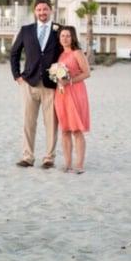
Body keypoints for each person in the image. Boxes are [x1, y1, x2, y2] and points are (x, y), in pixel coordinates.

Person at [10, 0, 62, 169]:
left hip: (51, 84)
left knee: (51, 123)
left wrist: (61, 76)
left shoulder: (59, 31)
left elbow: (65, 54)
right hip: (29, 82)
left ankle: (49, 158)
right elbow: (14, 53)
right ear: (35, 12)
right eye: (39, 10)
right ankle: (27, 157)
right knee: (28, 122)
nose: (42, 12)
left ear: (50, 10)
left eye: (45, 9)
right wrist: (17, 75)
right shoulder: (26, 30)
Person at [54, 26, 91, 174]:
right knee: (65, 130)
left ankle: (79, 164)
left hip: (75, 92)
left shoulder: (77, 53)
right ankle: (67, 163)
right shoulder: (61, 55)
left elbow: (87, 73)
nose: (65, 38)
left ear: (73, 37)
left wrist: (69, 81)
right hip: (61, 94)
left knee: (76, 130)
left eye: (68, 36)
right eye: (62, 36)